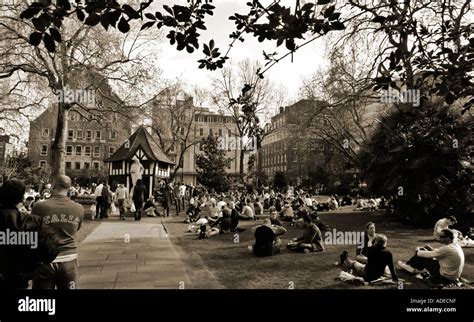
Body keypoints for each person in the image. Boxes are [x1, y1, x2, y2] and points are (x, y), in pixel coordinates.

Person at [0, 179, 59, 290]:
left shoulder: (33, 222)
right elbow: (51, 250)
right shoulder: (33, 222)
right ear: (22, 198)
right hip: (20, 277)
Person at [32, 175, 84, 290]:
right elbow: (76, 228)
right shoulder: (79, 208)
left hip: (45, 261)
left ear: (54, 185)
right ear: (70, 188)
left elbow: (33, 229)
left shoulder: (39, 206)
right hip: (69, 259)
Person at [398, 229, 465, 284]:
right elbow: (438, 253)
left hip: (445, 275)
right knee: (424, 250)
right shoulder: (456, 246)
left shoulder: (447, 248)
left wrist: (418, 251)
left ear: (448, 238)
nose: (439, 238)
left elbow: (430, 255)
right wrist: (427, 248)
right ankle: (414, 267)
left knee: (422, 255)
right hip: (453, 275)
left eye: (441, 237)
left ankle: (410, 266)